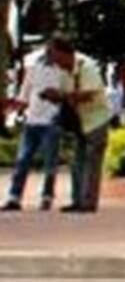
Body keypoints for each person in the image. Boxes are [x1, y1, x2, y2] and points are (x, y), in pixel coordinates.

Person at [42, 37, 109, 213]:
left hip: (96, 121)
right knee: (77, 161)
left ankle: (88, 202)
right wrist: (55, 96)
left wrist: (62, 96)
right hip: (79, 122)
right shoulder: (64, 72)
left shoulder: (87, 67)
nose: (52, 60)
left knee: (91, 163)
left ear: (63, 52)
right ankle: (78, 199)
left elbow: (87, 94)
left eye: (53, 54)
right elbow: (67, 95)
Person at [3, 43, 68, 211]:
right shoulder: (33, 68)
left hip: (51, 120)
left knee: (50, 162)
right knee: (22, 160)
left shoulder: (62, 71)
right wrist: (15, 108)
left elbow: (65, 95)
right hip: (31, 120)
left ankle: (47, 196)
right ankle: (14, 196)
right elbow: (25, 93)